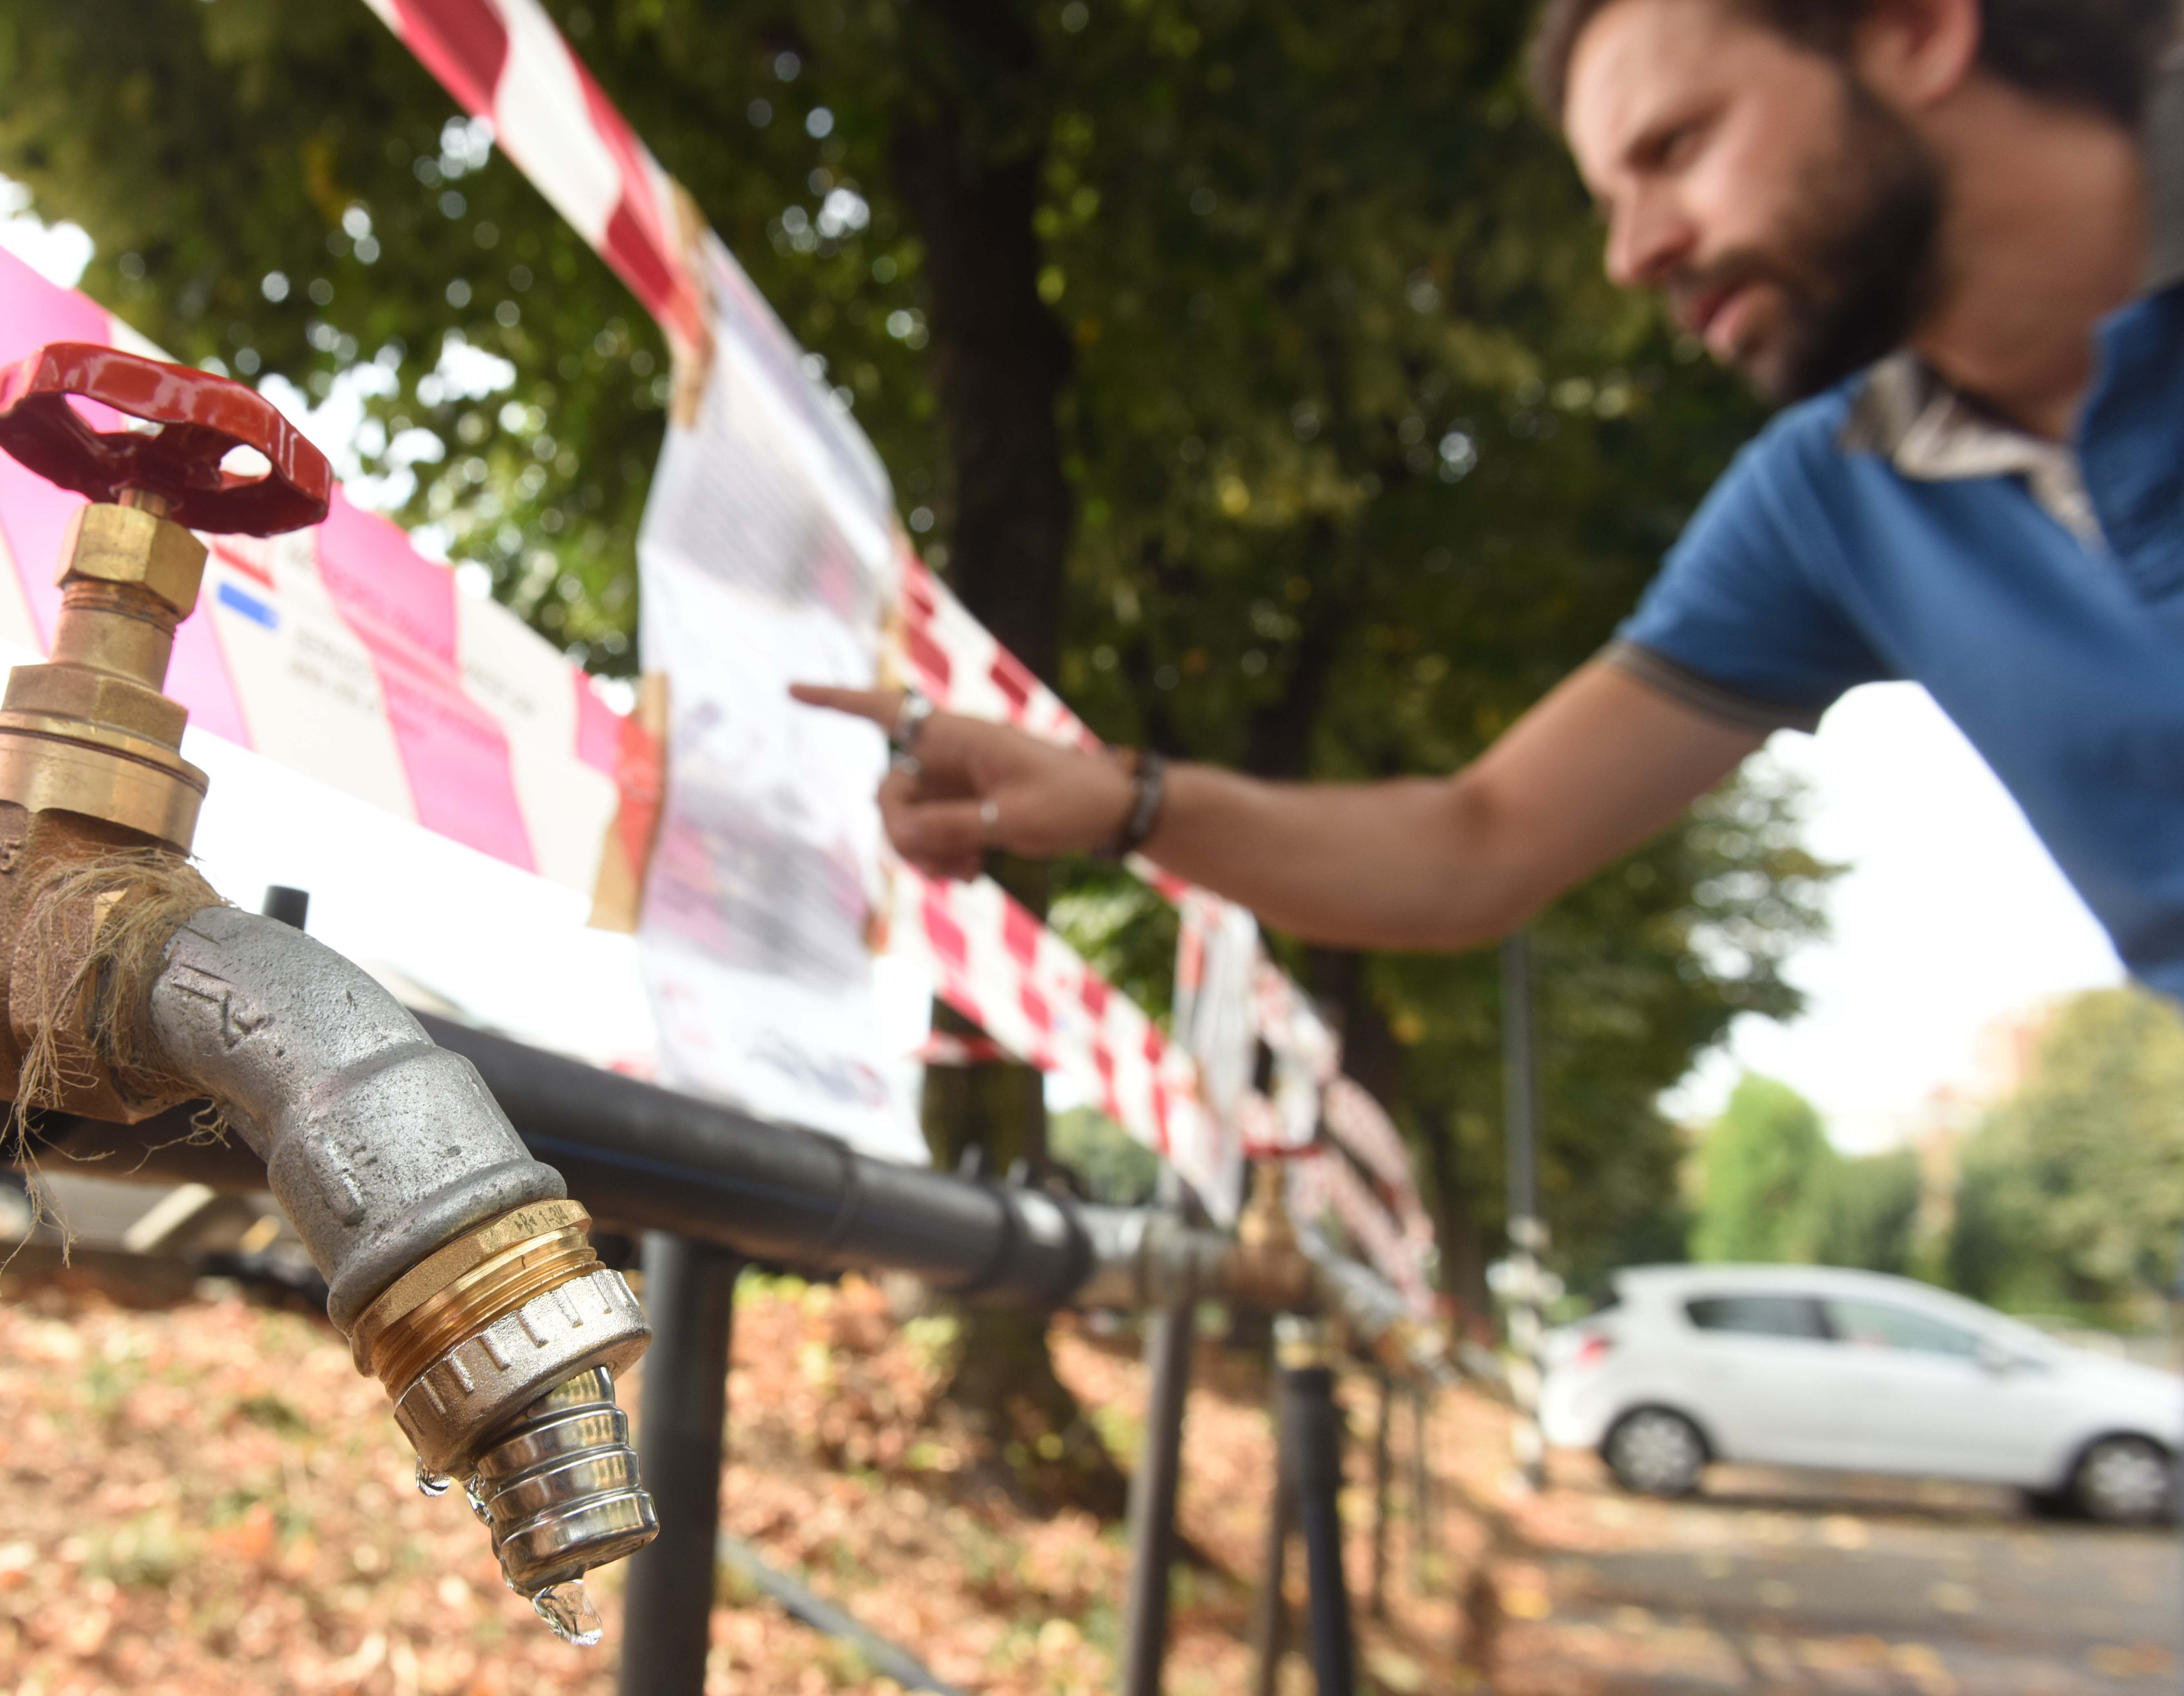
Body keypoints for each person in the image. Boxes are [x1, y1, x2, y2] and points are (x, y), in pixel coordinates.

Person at [795, 0, 2184, 1009]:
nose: (1638, 253)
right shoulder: (1834, 498)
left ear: (1918, 29)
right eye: (1606, 198)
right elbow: (1476, 846)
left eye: (1679, 146)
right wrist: (1120, 800)